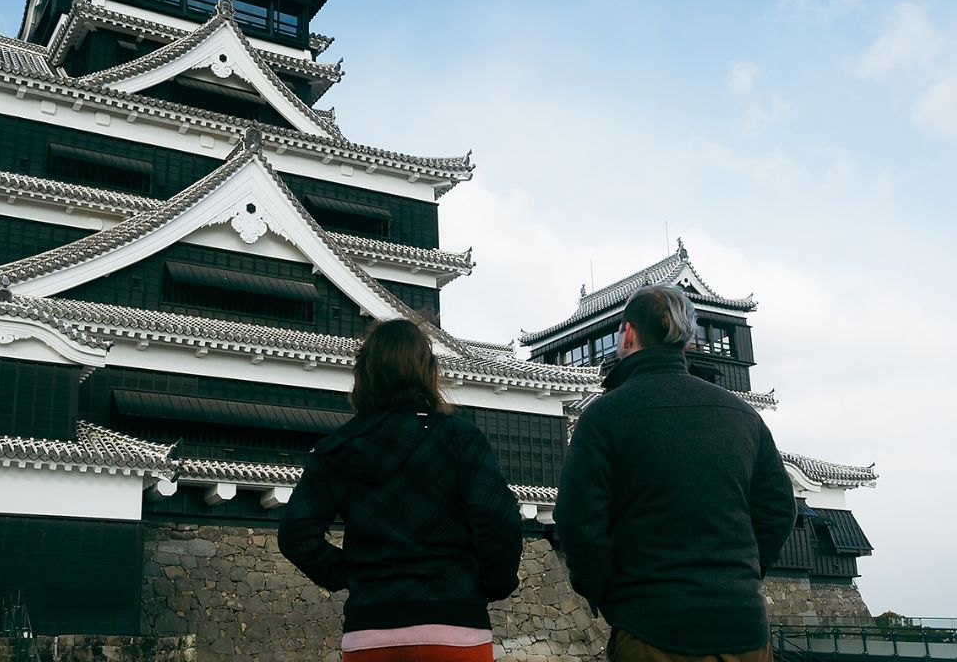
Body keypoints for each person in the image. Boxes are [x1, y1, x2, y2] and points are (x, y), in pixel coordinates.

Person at [554, 284, 796, 662]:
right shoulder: (742, 415)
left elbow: (576, 520)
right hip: (743, 630)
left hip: (650, 629)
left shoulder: (604, 416)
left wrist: (604, 591)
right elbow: (780, 509)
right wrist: (744, 574)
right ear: (686, 340)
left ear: (628, 334)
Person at [280, 319, 523, 661]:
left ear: (363, 374)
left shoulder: (337, 448)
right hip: (453, 624)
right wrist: (492, 583)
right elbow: (497, 519)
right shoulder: (460, 438)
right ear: (428, 371)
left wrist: (349, 572)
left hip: (370, 628)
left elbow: (295, 535)